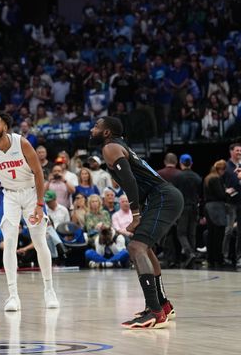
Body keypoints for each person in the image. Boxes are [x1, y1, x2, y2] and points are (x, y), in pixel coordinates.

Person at [89, 116, 183, 329]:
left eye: (96, 127)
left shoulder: (110, 147)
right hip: (161, 197)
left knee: (135, 247)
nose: (91, 130)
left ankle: (154, 313)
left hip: (163, 197)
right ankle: (162, 305)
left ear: (106, 133)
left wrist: (136, 214)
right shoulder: (120, 146)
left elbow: (130, 182)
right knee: (144, 248)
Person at [0, 110, 59, 312]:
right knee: (10, 243)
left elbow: (39, 173)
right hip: (9, 195)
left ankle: (49, 290)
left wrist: (40, 205)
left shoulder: (21, 143)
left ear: (5, 126)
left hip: (32, 192)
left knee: (40, 241)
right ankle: (13, 295)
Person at [171, 154, 201, 267]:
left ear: (181, 163)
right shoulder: (197, 177)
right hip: (194, 207)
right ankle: (191, 255)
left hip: (183, 208)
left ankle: (189, 253)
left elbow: (174, 194)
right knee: (191, 233)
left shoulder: (178, 177)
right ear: (191, 163)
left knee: (181, 233)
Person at [204, 160, 228, 268]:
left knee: (211, 234)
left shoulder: (208, 178)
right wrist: (227, 192)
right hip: (216, 208)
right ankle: (218, 258)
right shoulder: (216, 178)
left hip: (209, 208)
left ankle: (211, 259)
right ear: (221, 170)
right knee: (218, 234)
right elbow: (221, 194)